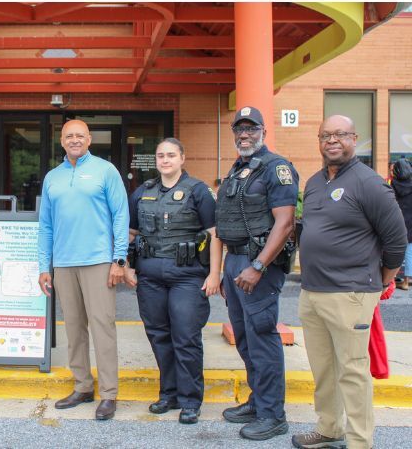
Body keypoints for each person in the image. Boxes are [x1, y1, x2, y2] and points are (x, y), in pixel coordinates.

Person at [295, 115, 406, 449]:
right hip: (312, 293)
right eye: (325, 135)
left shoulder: (368, 182)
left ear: (354, 138)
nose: (332, 140)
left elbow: (397, 240)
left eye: (340, 134)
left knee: (353, 372)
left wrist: (379, 281)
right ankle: (330, 428)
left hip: (351, 293)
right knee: (324, 369)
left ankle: (360, 441)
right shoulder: (314, 182)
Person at [214, 106, 298, 442]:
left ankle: (273, 415)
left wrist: (258, 266)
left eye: (251, 129)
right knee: (246, 338)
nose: (244, 134)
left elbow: (286, 223)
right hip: (236, 264)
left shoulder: (276, 168)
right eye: (239, 129)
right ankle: (258, 401)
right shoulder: (239, 169)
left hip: (258, 266)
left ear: (263, 130)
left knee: (262, 338)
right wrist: (224, 269)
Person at [36, 119, 129, 421]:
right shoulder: (52, 177)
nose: (74, 140)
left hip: (99, 262)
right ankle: (83, 386)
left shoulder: (105, 170)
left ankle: (109, 394)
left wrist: (119, 260)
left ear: (89, 139)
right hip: (63, 264)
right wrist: (44, 266)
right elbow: (46, 226)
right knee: (74, 330)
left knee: (103, 329)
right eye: (69, 136)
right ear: (61, 141)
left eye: (80, 135)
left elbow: (120, 215)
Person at [125, 137, 220, 426]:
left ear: (182, 159)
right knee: (158, 335)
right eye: (160, 156)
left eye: (170, 155)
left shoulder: (198, 191)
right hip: (150, 276)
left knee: (186, 336)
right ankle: (169, 394)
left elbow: (215, 234)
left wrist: (215, 274)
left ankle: (191, 400)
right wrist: (127, 265)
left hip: (187, 276)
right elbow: (130, 232)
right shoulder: (143, 191)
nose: (165, 160)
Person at [391, 157, 412, 289]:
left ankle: (391, 279)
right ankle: (406, 280)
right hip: (411, 222)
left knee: (393, 250)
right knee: (409, 251)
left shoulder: (392, 185)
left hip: (396, 221)